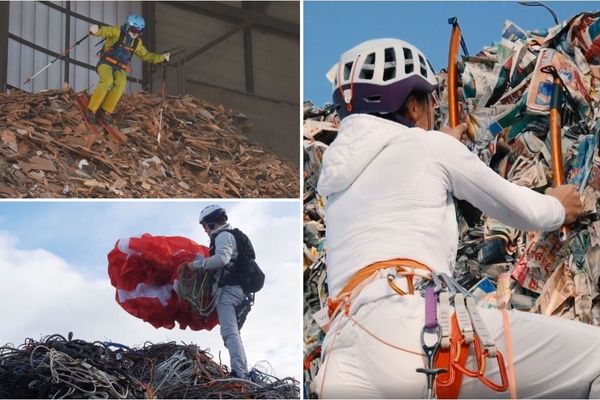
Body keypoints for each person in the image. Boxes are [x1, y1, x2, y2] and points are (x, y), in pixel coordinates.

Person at [313, 38, 600, 398]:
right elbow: (519, 209)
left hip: (341, 356)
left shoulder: (337, 185)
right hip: (411, 330)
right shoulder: (429, 146)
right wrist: (558, 206)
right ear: (413, 107)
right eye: (430, 102)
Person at [185, 205, 250, 380]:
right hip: (236, 291)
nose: (205, 231)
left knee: (229, 333)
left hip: (228, 292)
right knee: (233, 332)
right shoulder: (228, 235)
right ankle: (242, 370)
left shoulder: (223, 236)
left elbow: (222, 259)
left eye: (204, 226)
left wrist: (196, 265)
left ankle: (240, 373)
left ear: (211, 224)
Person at [87, 15, 169, 123]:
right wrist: (96, 30)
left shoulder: (137, 43)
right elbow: (105, 31)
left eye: (139, 31)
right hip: (106, 63)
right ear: (129, 26)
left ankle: (105, 110)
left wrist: (161, 58)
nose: (136, 33)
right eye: (134, 29)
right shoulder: (117, 31)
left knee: (121, 83)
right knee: (107, 80)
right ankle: (91, 109)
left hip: (120, 67)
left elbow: (146, 55)